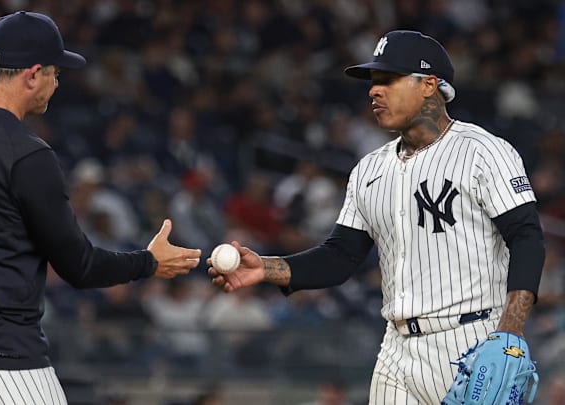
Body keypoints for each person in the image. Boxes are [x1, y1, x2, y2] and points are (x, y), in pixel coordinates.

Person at [0, 11, 201, 405]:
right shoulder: (26, 153)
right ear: (32, 74)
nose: (56, 81)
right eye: (54, 72)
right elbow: (79, 267)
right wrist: (148, 262)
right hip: (2, 365)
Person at [208, 30, 545, 404]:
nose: (374, 90)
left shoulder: (484, 152)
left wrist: (512, 328)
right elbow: (339, 257)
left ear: (429, 85)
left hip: (472, 340)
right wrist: (265, 269)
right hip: (396, 349)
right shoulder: (369, 169)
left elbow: (526, 236)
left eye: (388, 80)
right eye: (373, 81)